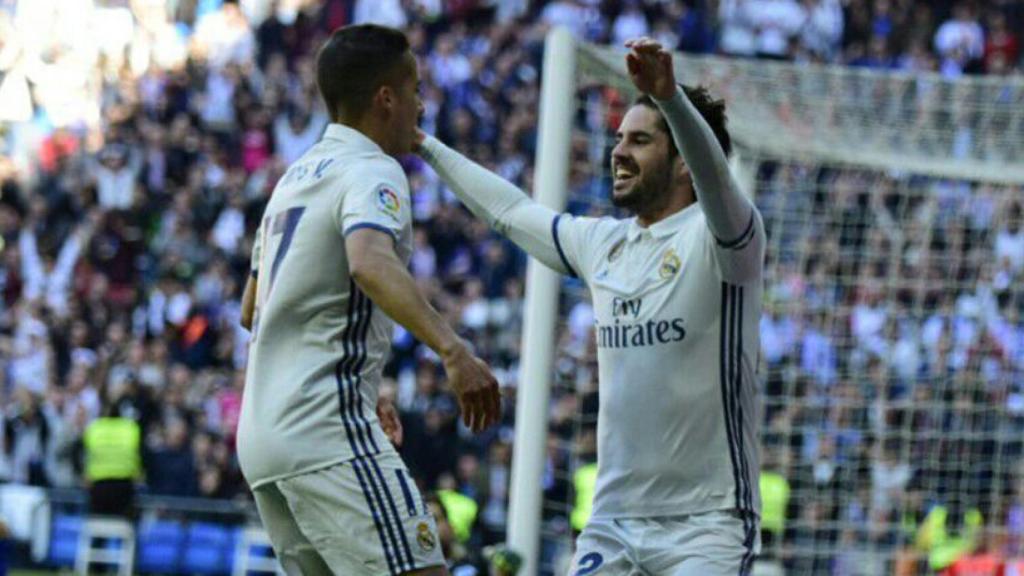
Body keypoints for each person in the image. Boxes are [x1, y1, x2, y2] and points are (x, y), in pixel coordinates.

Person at [417, 38, 764, 574]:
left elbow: (716, 182)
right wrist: (422, 144)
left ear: (681, 165)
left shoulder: (725, 239)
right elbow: (510, 210)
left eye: (641, 141)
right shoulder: (603, 243)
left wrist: (671, 99)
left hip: (708, 522)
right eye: (619, 138)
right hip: (614, 519)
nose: (618, 151)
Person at [237, 24, 502, 576]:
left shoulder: (292, 179)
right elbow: (368, 261)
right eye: (417, 91)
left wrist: (359, 384)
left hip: (263, 437)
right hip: (322, 430)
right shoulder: (373, 169)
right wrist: (452, 351)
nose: (422, 106)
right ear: (387, 98)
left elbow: (250, 308)